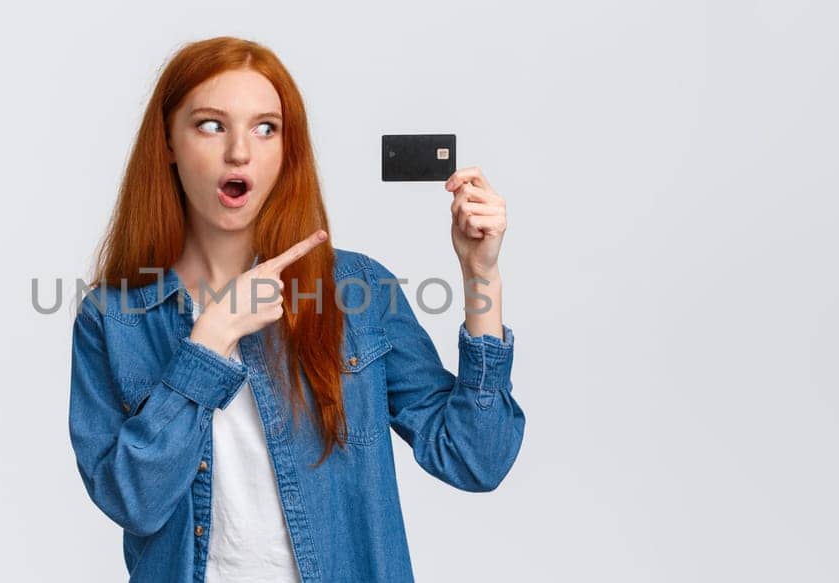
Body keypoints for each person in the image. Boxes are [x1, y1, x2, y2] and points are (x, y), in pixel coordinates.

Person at [68, 36, 526, 583]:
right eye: (211, 125)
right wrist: (208, 344)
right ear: (167, 141)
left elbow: (476, 459)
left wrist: (482, 278)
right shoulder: (113, 318)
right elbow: (132, 502)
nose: (240, 151)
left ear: (287, 149)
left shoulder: (357, 290)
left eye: (266, 128)